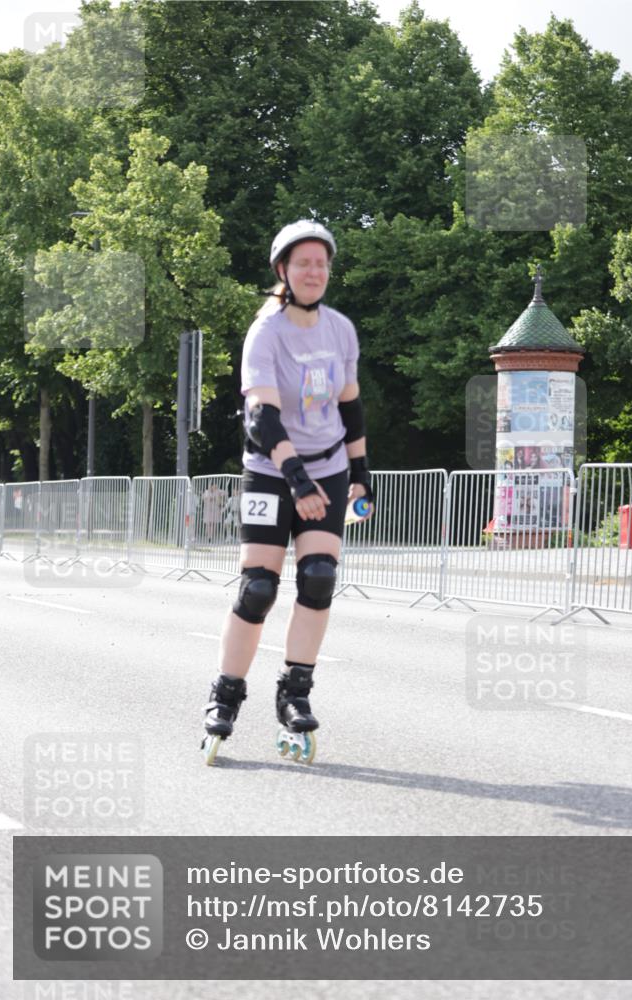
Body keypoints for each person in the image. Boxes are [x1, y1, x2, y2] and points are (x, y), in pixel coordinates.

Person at [202, 220, 373, 764]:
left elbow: (349, 406)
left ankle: (294, 693)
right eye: (304, 263)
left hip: (327, 468)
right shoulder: (266, 332)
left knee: (319, 580)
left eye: (322, 263)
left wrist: (361, 473)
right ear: (283, 270)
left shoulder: (341, 329)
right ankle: (225, 696)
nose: (314, 271)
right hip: (274, 471)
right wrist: (297, 480)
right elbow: (261, 416)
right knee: (258, 588)